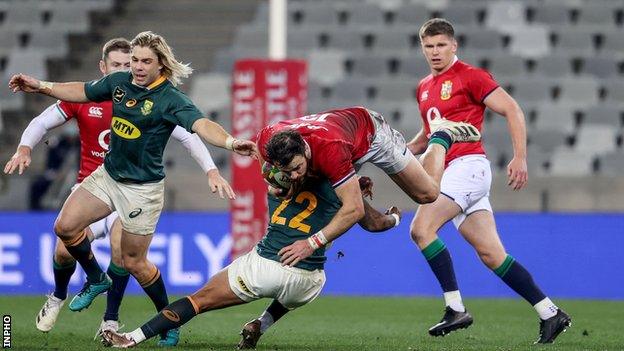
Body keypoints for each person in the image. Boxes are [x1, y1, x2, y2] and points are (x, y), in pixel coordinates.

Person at [8, 31, 257, 345]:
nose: (137, 67)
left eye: (144, 61)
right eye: (135, 60)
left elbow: (201, 125)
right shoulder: (118, 83)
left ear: (160, 65)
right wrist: (42, 87)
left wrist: (231, 143)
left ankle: (169, 319)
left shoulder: (171, 99)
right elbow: (81, 91)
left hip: (142, 190)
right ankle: (97, 278)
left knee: (133, 262)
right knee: (65, 227)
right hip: (107, 176)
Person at [405, 18, 571, 344]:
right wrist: (402, 151)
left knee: (421, 229)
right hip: (455, 173)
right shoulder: (424, 87)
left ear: (454, 46)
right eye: (429, 46)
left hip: (467, 167)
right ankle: (550, 313)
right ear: (422, 48)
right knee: (492, 255)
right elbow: (429, 134)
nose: (435, 52)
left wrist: (520, 156)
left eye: (441, 45)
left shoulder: (471, 77)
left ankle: (455, 308)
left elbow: (512, 110)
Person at [101, 176, 402, 348]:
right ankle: (260, 324)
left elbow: (277, 181)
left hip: (266, 266)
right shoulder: (346, 194)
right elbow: (378, 225)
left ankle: (131, 338)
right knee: (290, 292)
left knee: (197, 301)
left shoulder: (284, 179)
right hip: (310, 281)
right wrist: (396, 216)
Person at [253, 107, 480, 269]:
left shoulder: (331, 151)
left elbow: (354, 210)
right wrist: (274, 184)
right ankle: (385, 216)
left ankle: (441, 135)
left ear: (304, 149)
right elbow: (267, 165)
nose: (293, 176)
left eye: (297, 168)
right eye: (287, 172)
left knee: (427, 193)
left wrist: (311, 244)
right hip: (341, 134)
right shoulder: (268, 140)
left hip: (371, 133)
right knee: (329, 194)